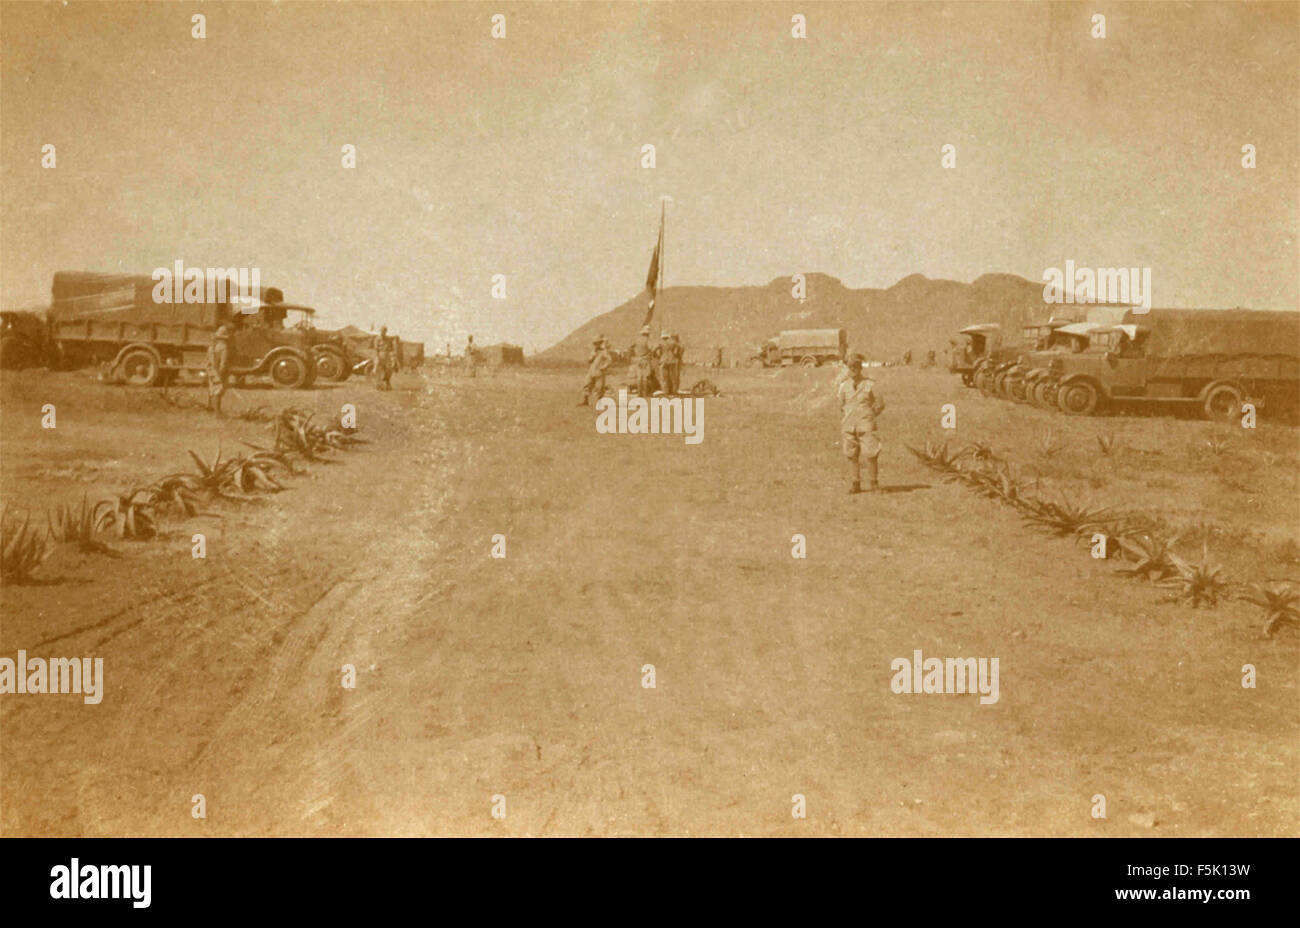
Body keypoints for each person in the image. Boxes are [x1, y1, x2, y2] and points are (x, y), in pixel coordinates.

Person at [837, 353, 885, 494]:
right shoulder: (844, 386)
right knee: (851, 455)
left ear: (860, 367)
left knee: (871, 454)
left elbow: (880, 404)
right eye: (850, 366)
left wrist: (869, 416)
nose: (853, 369)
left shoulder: (870, 384)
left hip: (866, 425)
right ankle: (855, 483)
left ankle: (873, 483)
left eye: (856, 366)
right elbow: (841, 405)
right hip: (849, 425)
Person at [205, 325, 231, 415]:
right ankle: (217, 412)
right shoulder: (224, 347)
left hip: (210, 370)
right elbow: (223, 363)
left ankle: (209, 407)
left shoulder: (211, 347)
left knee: (212, 388)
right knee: (218, 390)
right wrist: (221, 373)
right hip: (218, 371)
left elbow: (207, 359)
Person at [579, 336, 612, 406]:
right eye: (595, 344)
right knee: (587, 385)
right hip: (591, 371)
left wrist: (604, 367)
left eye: (598, 343)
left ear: (600, 343)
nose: (596, 345)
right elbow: (589, 360)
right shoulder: (593, 352)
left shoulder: (604, 352)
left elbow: (609, 360)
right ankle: (585, 401)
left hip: (599, 372)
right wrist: (592, 356)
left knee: (599, 387)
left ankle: (600, 402)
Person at [631, 325, 653, 396]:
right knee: (645, 377)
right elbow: (650, 348)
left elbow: (632, 348)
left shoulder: (637, 340)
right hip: (645, 359)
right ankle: (644, 393)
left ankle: (639, 392)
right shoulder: (647, 340)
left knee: (639, 376)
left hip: (638, 359)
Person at [373, 326, 395, 390]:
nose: (383, 332)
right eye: (382, 331)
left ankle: (388, 383)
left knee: (389, 370)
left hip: (387, 355)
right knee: (378, 370)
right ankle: (378, 385)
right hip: (380, 354)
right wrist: (377, 357)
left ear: (386, 331)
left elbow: (391, 348)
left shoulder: (388, 339)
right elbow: (376, 349)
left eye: (384, 331)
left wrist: (392, 356)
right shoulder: (377, 339)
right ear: (380, 331)